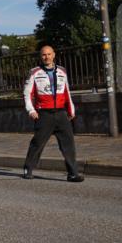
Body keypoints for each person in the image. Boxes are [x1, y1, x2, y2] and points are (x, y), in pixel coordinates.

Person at [21, 44, 83, 182]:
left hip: (61, 113)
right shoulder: (34, 72)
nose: (46, 57)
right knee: (38, 143)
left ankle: (73, 173)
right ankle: (28, 169)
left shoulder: (62, 71)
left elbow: (67, 92)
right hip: (44, 114)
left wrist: (71, 109)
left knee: (68, 144)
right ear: (40, 56)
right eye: (43, 54)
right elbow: (27, 93)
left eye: (49, 54)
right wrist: (31, 110)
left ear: (54, 55)